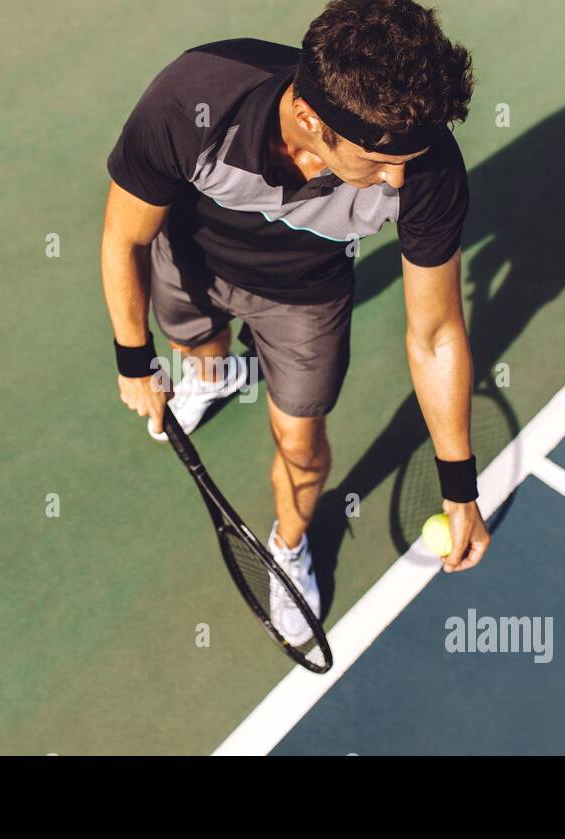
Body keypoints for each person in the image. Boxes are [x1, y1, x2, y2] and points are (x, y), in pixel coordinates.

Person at [100, 0, 490, 619]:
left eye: (405, 163)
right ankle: (214, 373)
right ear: (309, 118)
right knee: (196, 350)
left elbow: (436, 335)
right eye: (380, 161)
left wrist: (461, 489)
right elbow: (127, 237)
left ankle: (288, 544)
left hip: (306, 299)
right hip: (191, 260)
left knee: (301, 444)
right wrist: (132, 359)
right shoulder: (195, 99)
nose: (395, 183)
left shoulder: (427, 170)